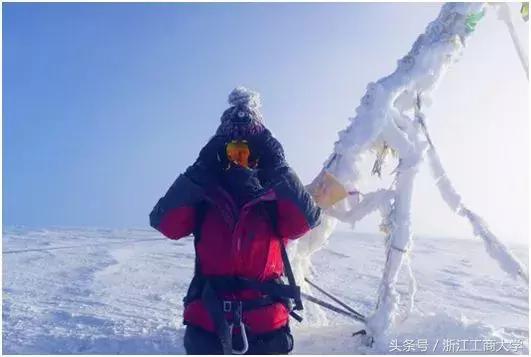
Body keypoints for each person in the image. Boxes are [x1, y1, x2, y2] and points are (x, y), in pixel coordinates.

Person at [149, 87, 321, 354]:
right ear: (221, 154)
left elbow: (307, 219)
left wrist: (280, 166)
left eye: (248, 152)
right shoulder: (204, 196)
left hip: (267, 330)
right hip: (208, 326)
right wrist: (199, 169)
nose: (241, 159)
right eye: (233, 151)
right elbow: (165, 222)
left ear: (260, 156)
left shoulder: (275, 198)